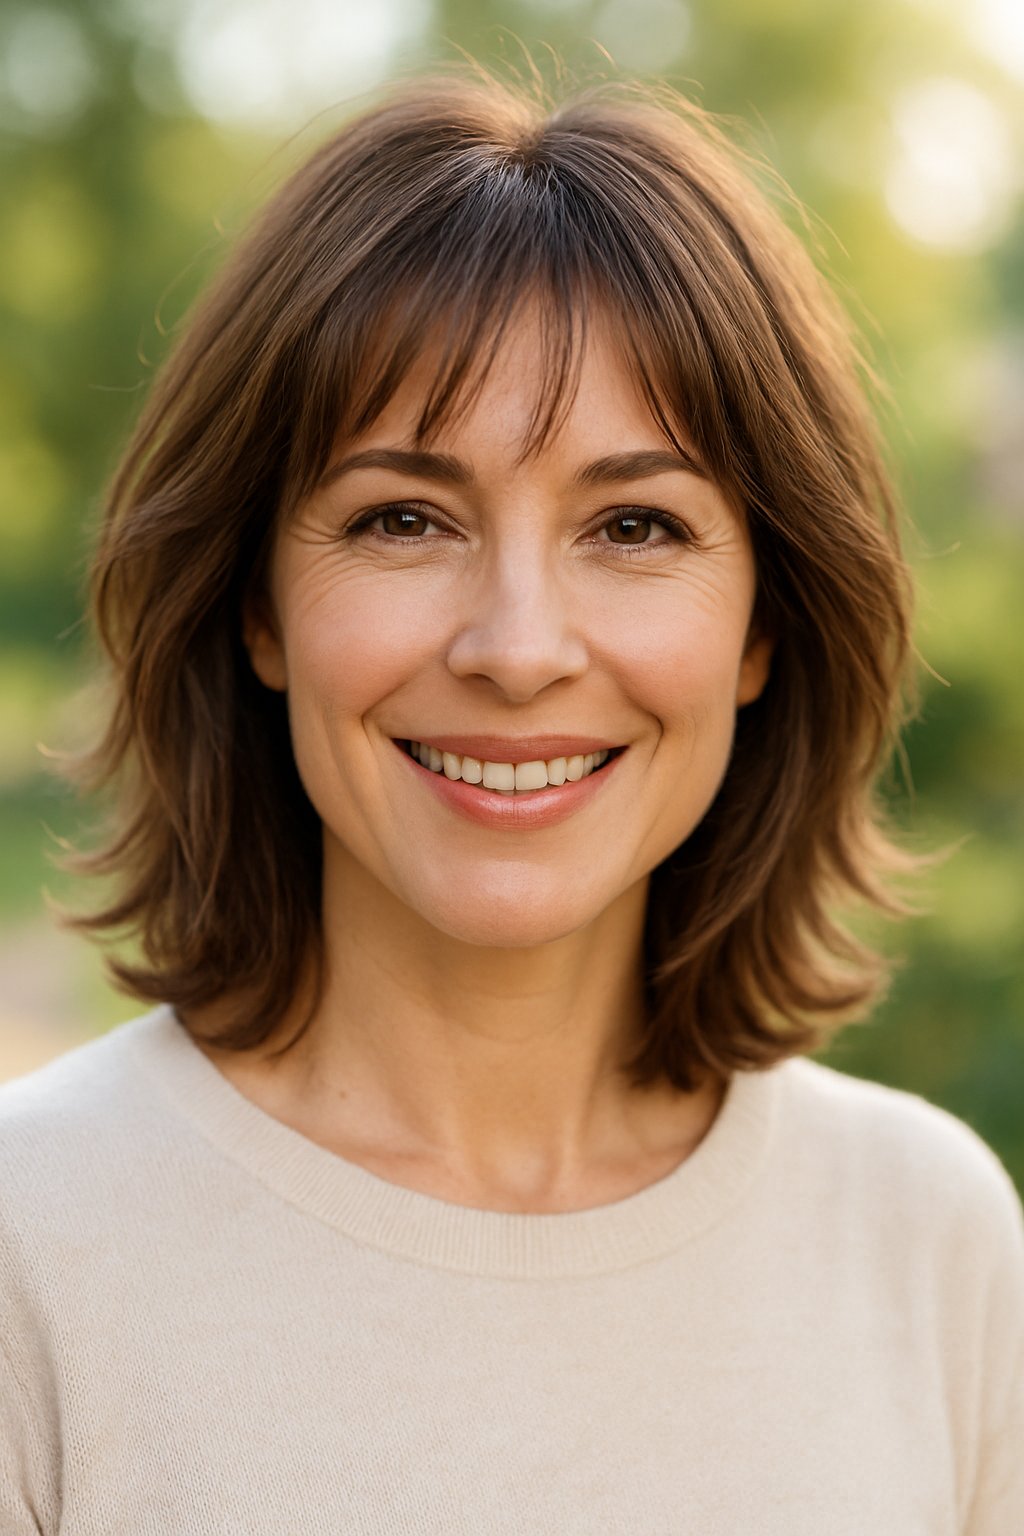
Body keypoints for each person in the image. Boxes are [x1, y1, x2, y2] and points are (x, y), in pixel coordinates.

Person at [1, 68, 1021, 1535]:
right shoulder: (31, 1255)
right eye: (403, 519)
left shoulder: (933, 1247)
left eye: (634, 525)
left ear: (763, 630)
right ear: (258, 610)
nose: (520, 648)